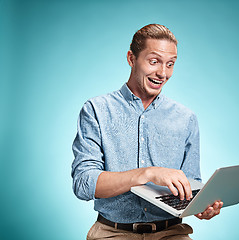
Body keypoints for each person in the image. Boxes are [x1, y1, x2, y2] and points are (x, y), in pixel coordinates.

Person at [71, 24, 223, 240]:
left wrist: (200, 206)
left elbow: (190, 184)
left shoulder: (186, 118)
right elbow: (83, 183)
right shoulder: (96, 110)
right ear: (131, 59)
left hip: (171, 233)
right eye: (154, 61)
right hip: (112, 233)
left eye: (170, 64)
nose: (163, 73)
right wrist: (148, 173)